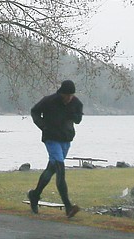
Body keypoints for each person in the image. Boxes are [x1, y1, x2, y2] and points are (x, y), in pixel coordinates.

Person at [27, 79, 83, 218]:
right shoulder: (49, 101)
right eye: (66, 95)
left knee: (51, 169)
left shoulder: (77, 103)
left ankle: (34, 195)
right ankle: (68, 207)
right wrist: (43, 126)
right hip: (51, 139)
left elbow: (78, 120)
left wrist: (72, 115)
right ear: (61, 93)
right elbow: (34, 112)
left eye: (71, 95)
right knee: (60, 168)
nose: (69, 98)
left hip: (66, 139)